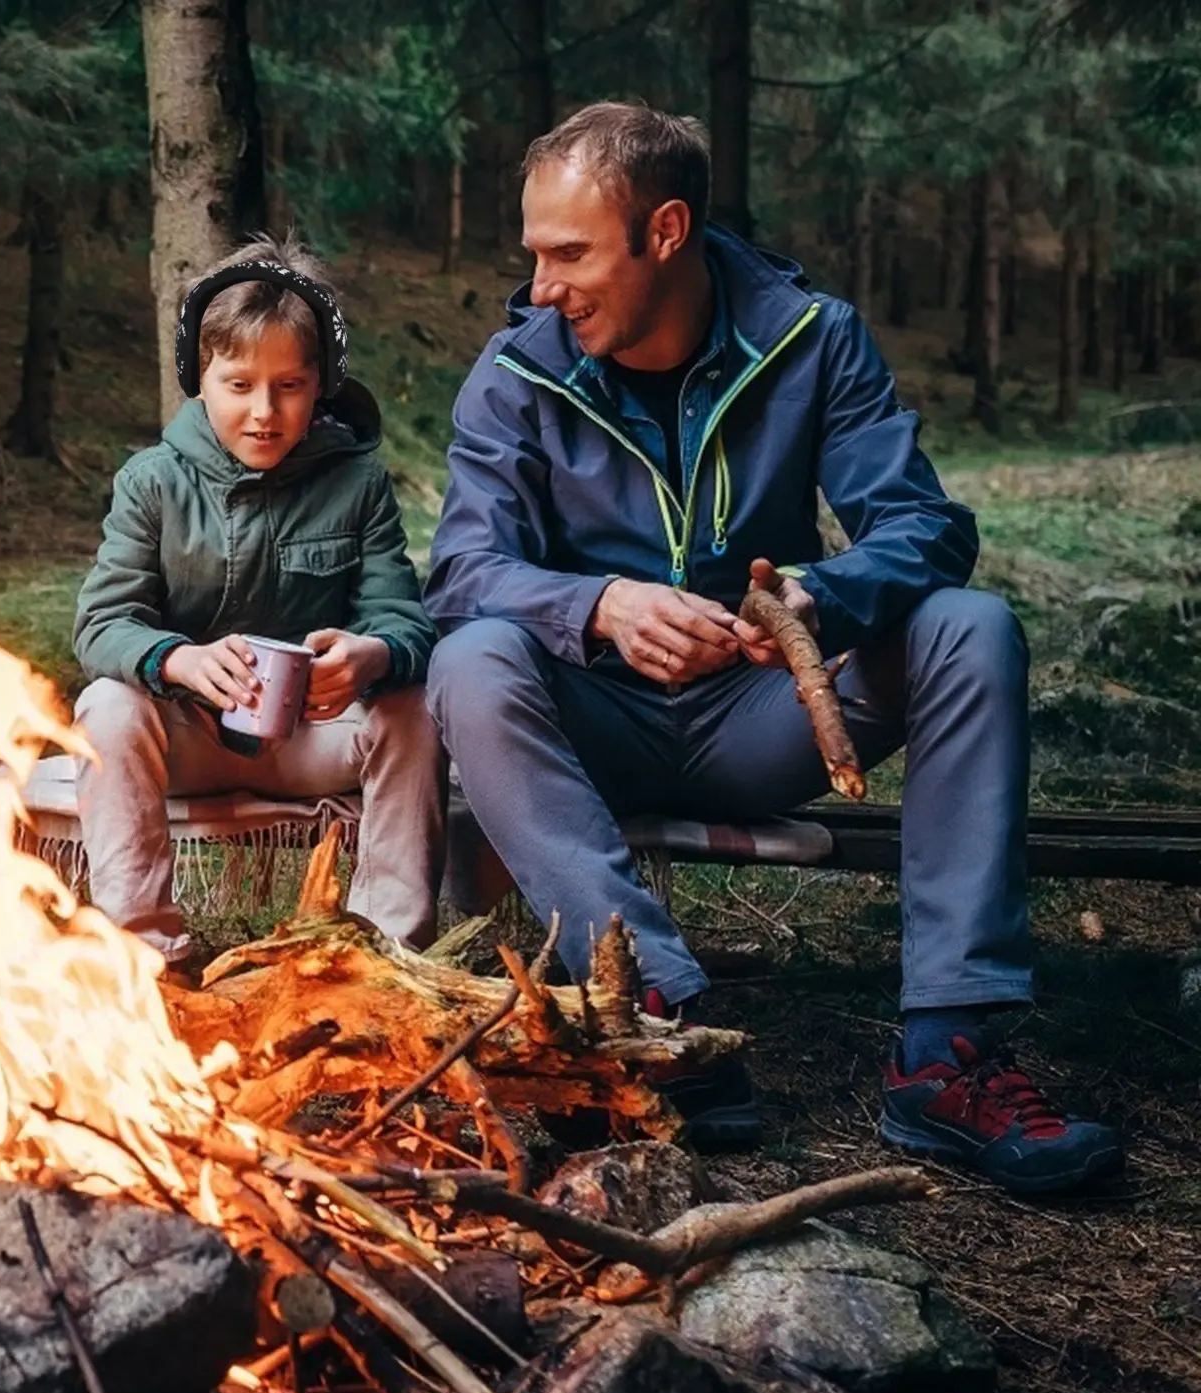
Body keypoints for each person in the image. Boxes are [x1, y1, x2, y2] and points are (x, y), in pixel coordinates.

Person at [423, 102, 1122, 1194]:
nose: (543, 286)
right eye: (534, 255)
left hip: (767, 719)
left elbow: (926, 528)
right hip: (587, 725)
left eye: (569, 254)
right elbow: (462, 573)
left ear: (664, 232)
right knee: (469, 660)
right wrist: (600, 604)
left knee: (969, 630)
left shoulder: (810, 338)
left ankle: (948, 1054)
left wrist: (815, 597)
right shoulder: (517, 373)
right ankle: (657, 1011)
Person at [73, 236, 444, 969]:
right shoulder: (151, 482)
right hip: (190, 740)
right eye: (239, 385)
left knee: (414, 706)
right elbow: (101, 624)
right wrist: (176, 660)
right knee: (107, 707)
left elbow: (404, 621)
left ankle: (384, 957)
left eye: (290, 386)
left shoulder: (357, 483)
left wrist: (371, 654)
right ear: (200, 378)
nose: (264, 413)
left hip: (316, 736)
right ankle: (145, 957)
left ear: (322, 384)